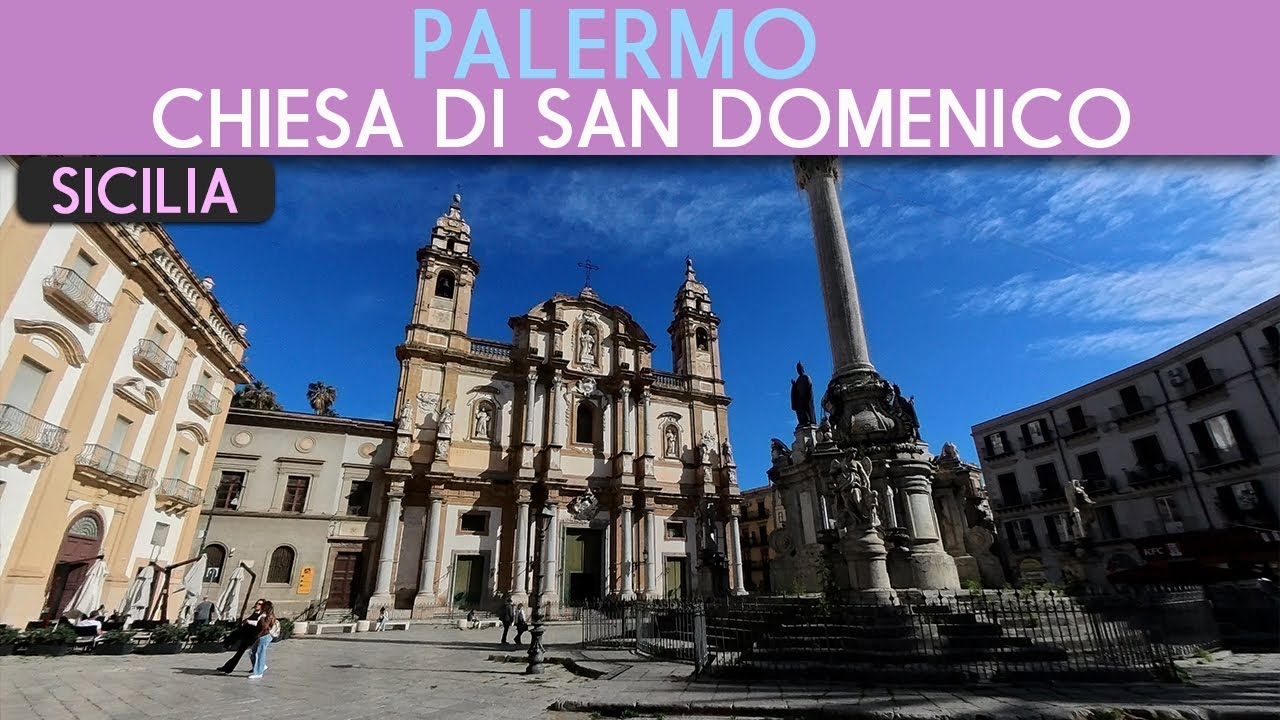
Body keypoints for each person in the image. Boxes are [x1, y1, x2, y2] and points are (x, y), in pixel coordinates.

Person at [218, 599, 264, 674]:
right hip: (247, 636)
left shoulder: (262, 615)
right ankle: (228, 668)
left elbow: (258, 624)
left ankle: (260, 666)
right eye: (257, 603)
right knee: (240, 653)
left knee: (252, 653)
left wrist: (248, 621)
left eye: (259, 604)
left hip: (253, 637)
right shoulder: (255, 613)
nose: (257, 605)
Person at [247, 600, 276, 680]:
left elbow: (264, 626)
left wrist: (262, 618)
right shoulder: (264, 614)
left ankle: (259, 672)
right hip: (261, 636)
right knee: (252, 652)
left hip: (265, 636)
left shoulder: (268, 616)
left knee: (260, 653)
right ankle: (261, 666)